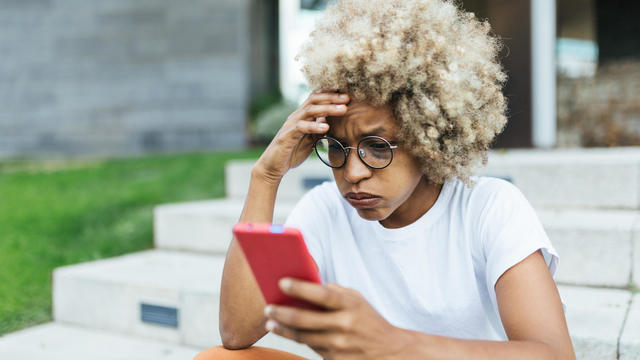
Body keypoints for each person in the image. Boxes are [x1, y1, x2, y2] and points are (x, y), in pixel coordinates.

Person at [204, 0, 576, 359]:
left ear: (429, 136)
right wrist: (266, 176)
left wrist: (396, 347)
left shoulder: (489, 208)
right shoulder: (324, 211)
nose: (352, 173)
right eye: (336, 147)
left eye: (377, 147)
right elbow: (237, 333)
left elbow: (554, 355)